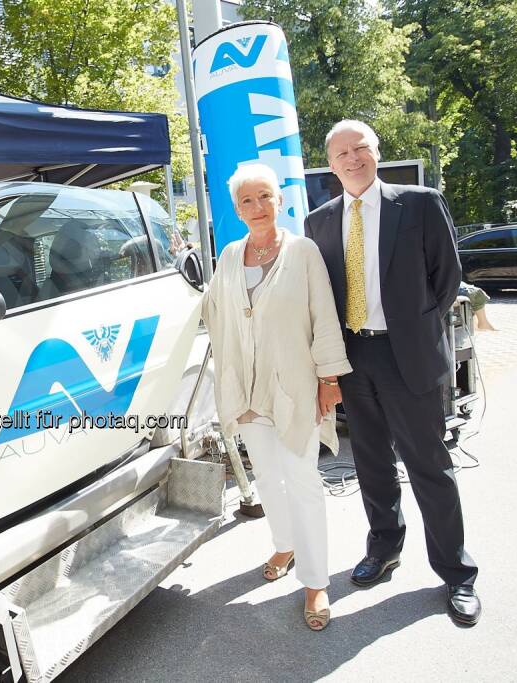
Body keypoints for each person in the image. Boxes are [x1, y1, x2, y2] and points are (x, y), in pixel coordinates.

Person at [305, 120, 480, 625]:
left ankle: (456, 573)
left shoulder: (420, 203)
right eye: (341, 153)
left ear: (376, 152)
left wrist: (413, 330)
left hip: (409, 357)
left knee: (430, 465)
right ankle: (383, 547)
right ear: (331, 164)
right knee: (372, 465)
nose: (352, 158)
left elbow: (447, 279)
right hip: (353, 360)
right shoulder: (319, 222)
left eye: (360, 148)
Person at [202, 164, 351, 631]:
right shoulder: (228, 255)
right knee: (267, 477)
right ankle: (283, 544)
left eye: (264, 196)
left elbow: (323, 314)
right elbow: (208, 309)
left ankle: (315, 581)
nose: (257, 207)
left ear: (279, 200)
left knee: (303, 481)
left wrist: (329, 379)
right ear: (236, 209)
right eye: (247, 200)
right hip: (245, 389)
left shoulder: (303, 251)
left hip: (292, 386)